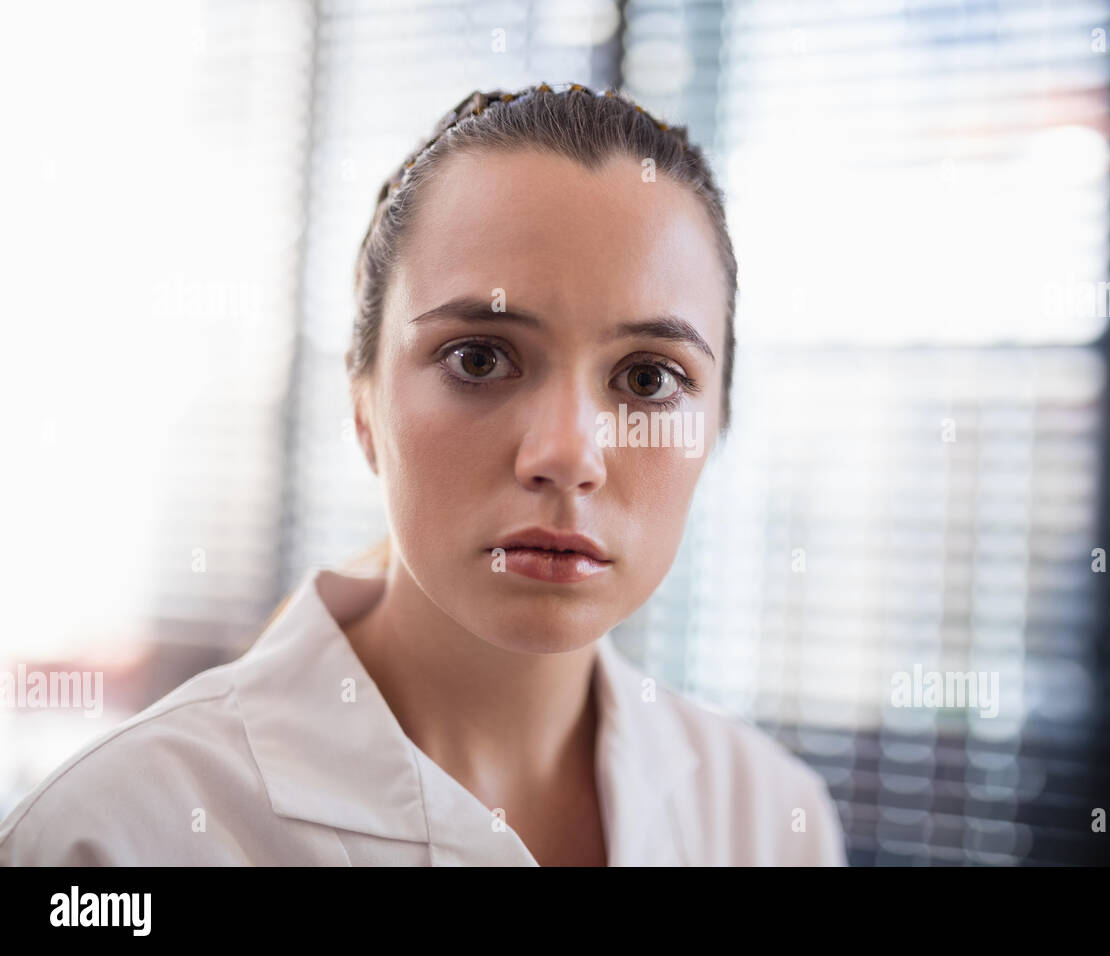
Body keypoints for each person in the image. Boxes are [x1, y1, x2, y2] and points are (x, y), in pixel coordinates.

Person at [0, 82, 847, 866]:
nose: (565, 454)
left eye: (649, 379)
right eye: (480, 358)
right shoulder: (113, 838)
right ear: (363, 402)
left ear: (719, 424)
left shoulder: (771, 822)